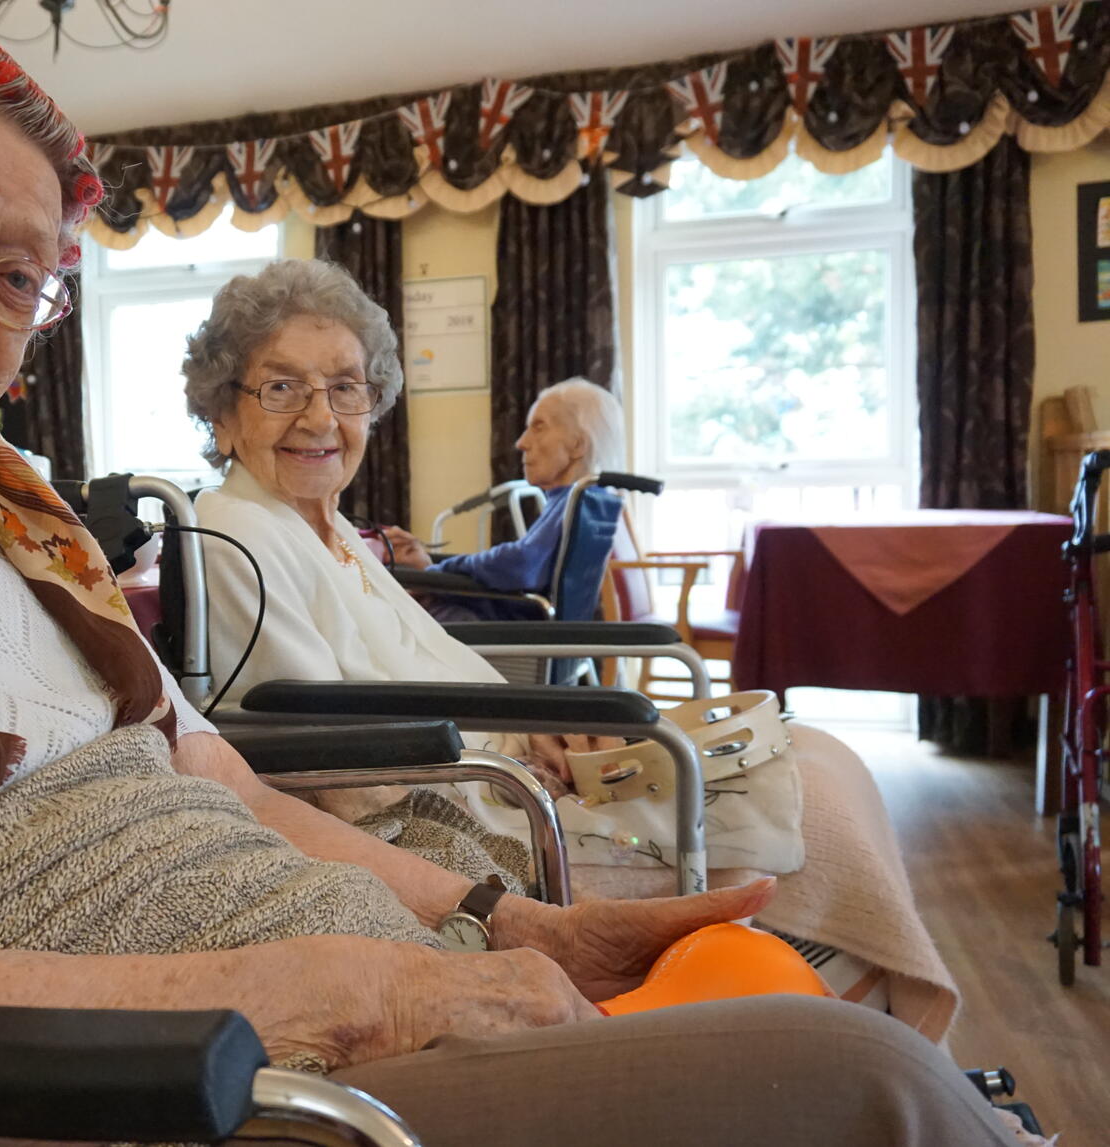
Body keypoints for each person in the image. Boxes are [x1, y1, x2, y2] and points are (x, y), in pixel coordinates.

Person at [0, 31, 1018, 1147]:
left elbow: (216, 775)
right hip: (152, 1088)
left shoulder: (4, 507)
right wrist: (321, 991)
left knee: (769, 991)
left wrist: (508, 913)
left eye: (16, 277)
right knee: (856, 1087)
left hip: (333, 999)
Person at [188, 259, 961, 1042]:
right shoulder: (237, 532)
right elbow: (320, 759)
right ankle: (844, 1056)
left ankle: (868, 1063)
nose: (321, 417)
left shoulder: (333, 533)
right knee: (816, 817)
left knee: (819, 764)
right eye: (281, 388)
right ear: (223, 414)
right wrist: (514, 746)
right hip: (465, 807)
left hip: (506, 767)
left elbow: (434, 662)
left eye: (346, 387)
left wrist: (534, 725)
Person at [384, 380, 624, 624]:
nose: (521, 443)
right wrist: (431, 566)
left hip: (514, 639)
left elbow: (522, 563)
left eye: (539, 427)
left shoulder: (575, 503)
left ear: (577, 445)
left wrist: (434, 575)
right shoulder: (584, 501)